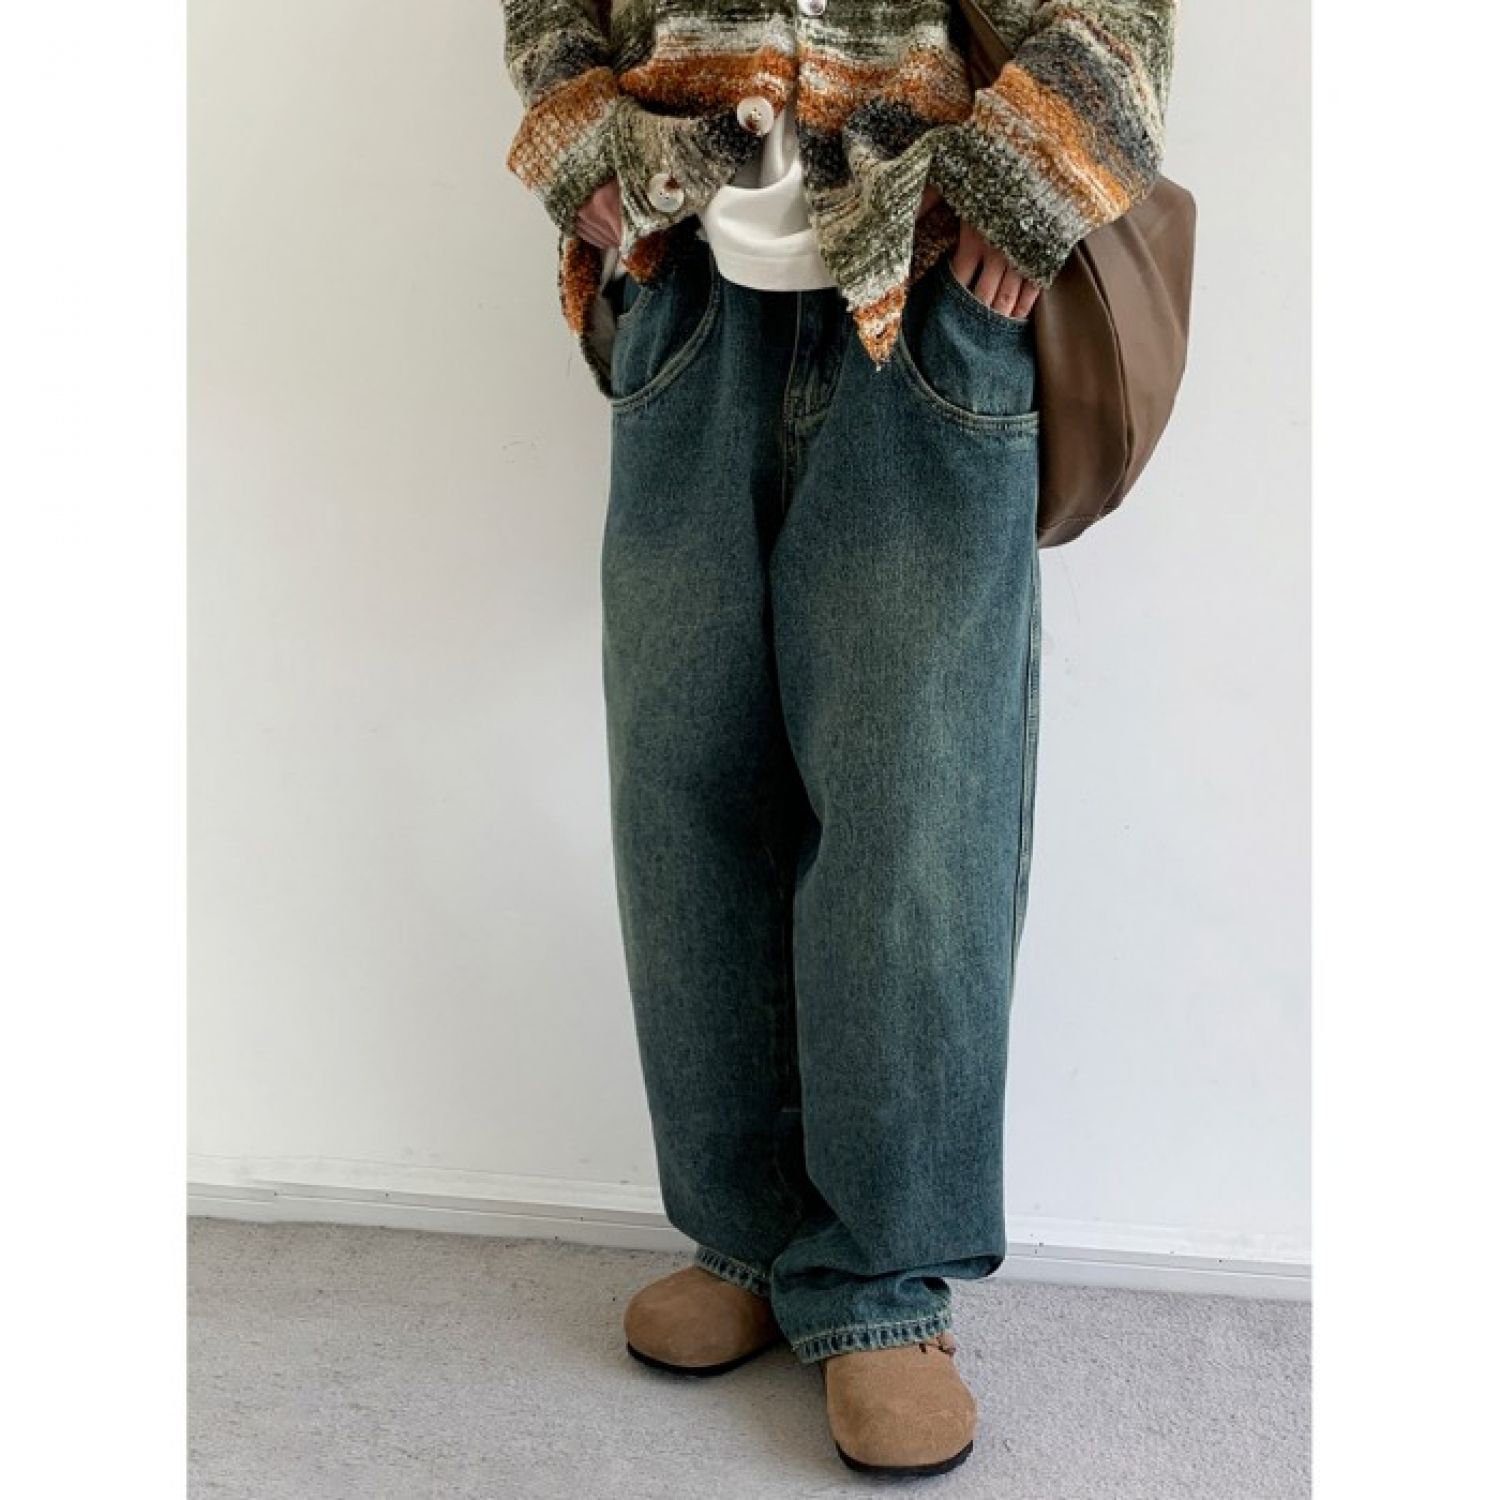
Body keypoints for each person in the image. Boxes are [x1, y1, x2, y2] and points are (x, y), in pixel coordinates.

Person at [500, 0, 1176, 1477]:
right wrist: (581, 146)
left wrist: (1023, 182)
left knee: (912, 809)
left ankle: (881, 1282)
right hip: (686, 292)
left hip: (931, 292)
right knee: (685, 787)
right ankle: (742, 1234)